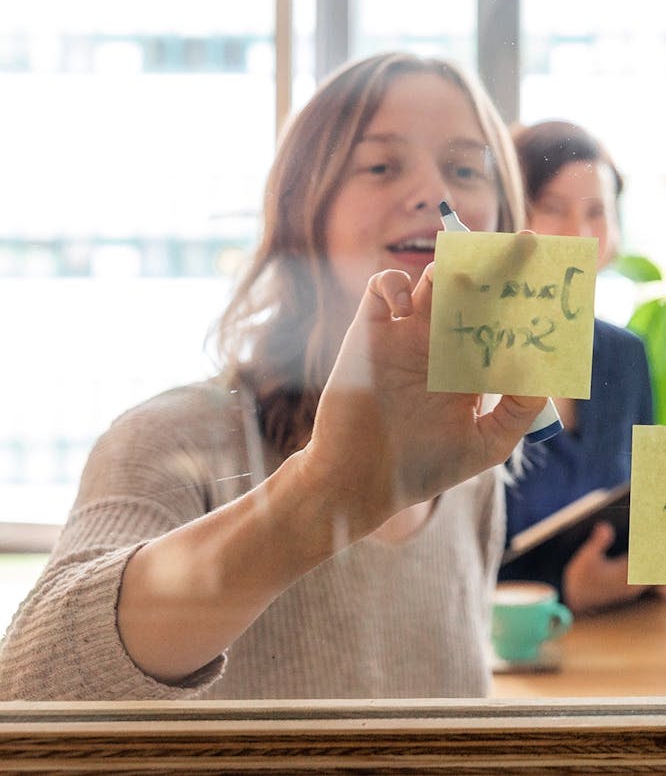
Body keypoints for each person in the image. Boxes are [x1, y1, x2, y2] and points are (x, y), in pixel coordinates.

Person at [0, 52, 547, 701]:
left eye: (464, 168)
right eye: (379, 165)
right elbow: (31, 688)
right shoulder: (166, 443)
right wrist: (320, 497)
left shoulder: (472, 474)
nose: (436, 194)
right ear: (300, 212)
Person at [499, 120, 654, 613]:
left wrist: (645, 571)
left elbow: (650, 520)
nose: (579, 234)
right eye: (552, 208)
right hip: (499, 649)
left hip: (617, 636)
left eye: (596, 213)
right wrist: (567, 593)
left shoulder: (625, 354)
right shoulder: (473, 351)